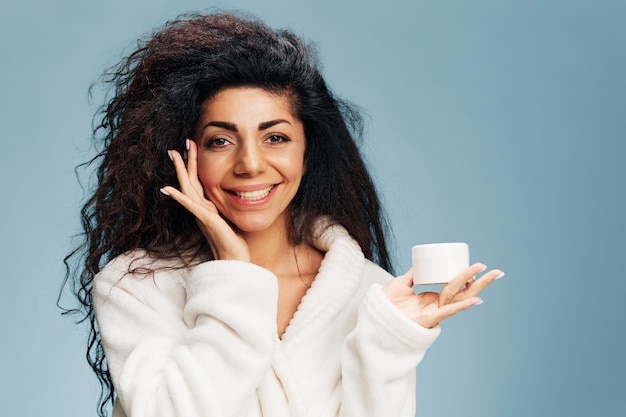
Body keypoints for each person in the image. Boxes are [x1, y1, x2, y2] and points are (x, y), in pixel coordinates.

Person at [62, 11, 504, 417]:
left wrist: (389, 344)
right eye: (220, 140)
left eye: (275, 138)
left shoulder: (369, 292)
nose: (250, 164)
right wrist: (234, 276)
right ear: (185, 154)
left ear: (307, 151)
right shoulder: (137, 286)